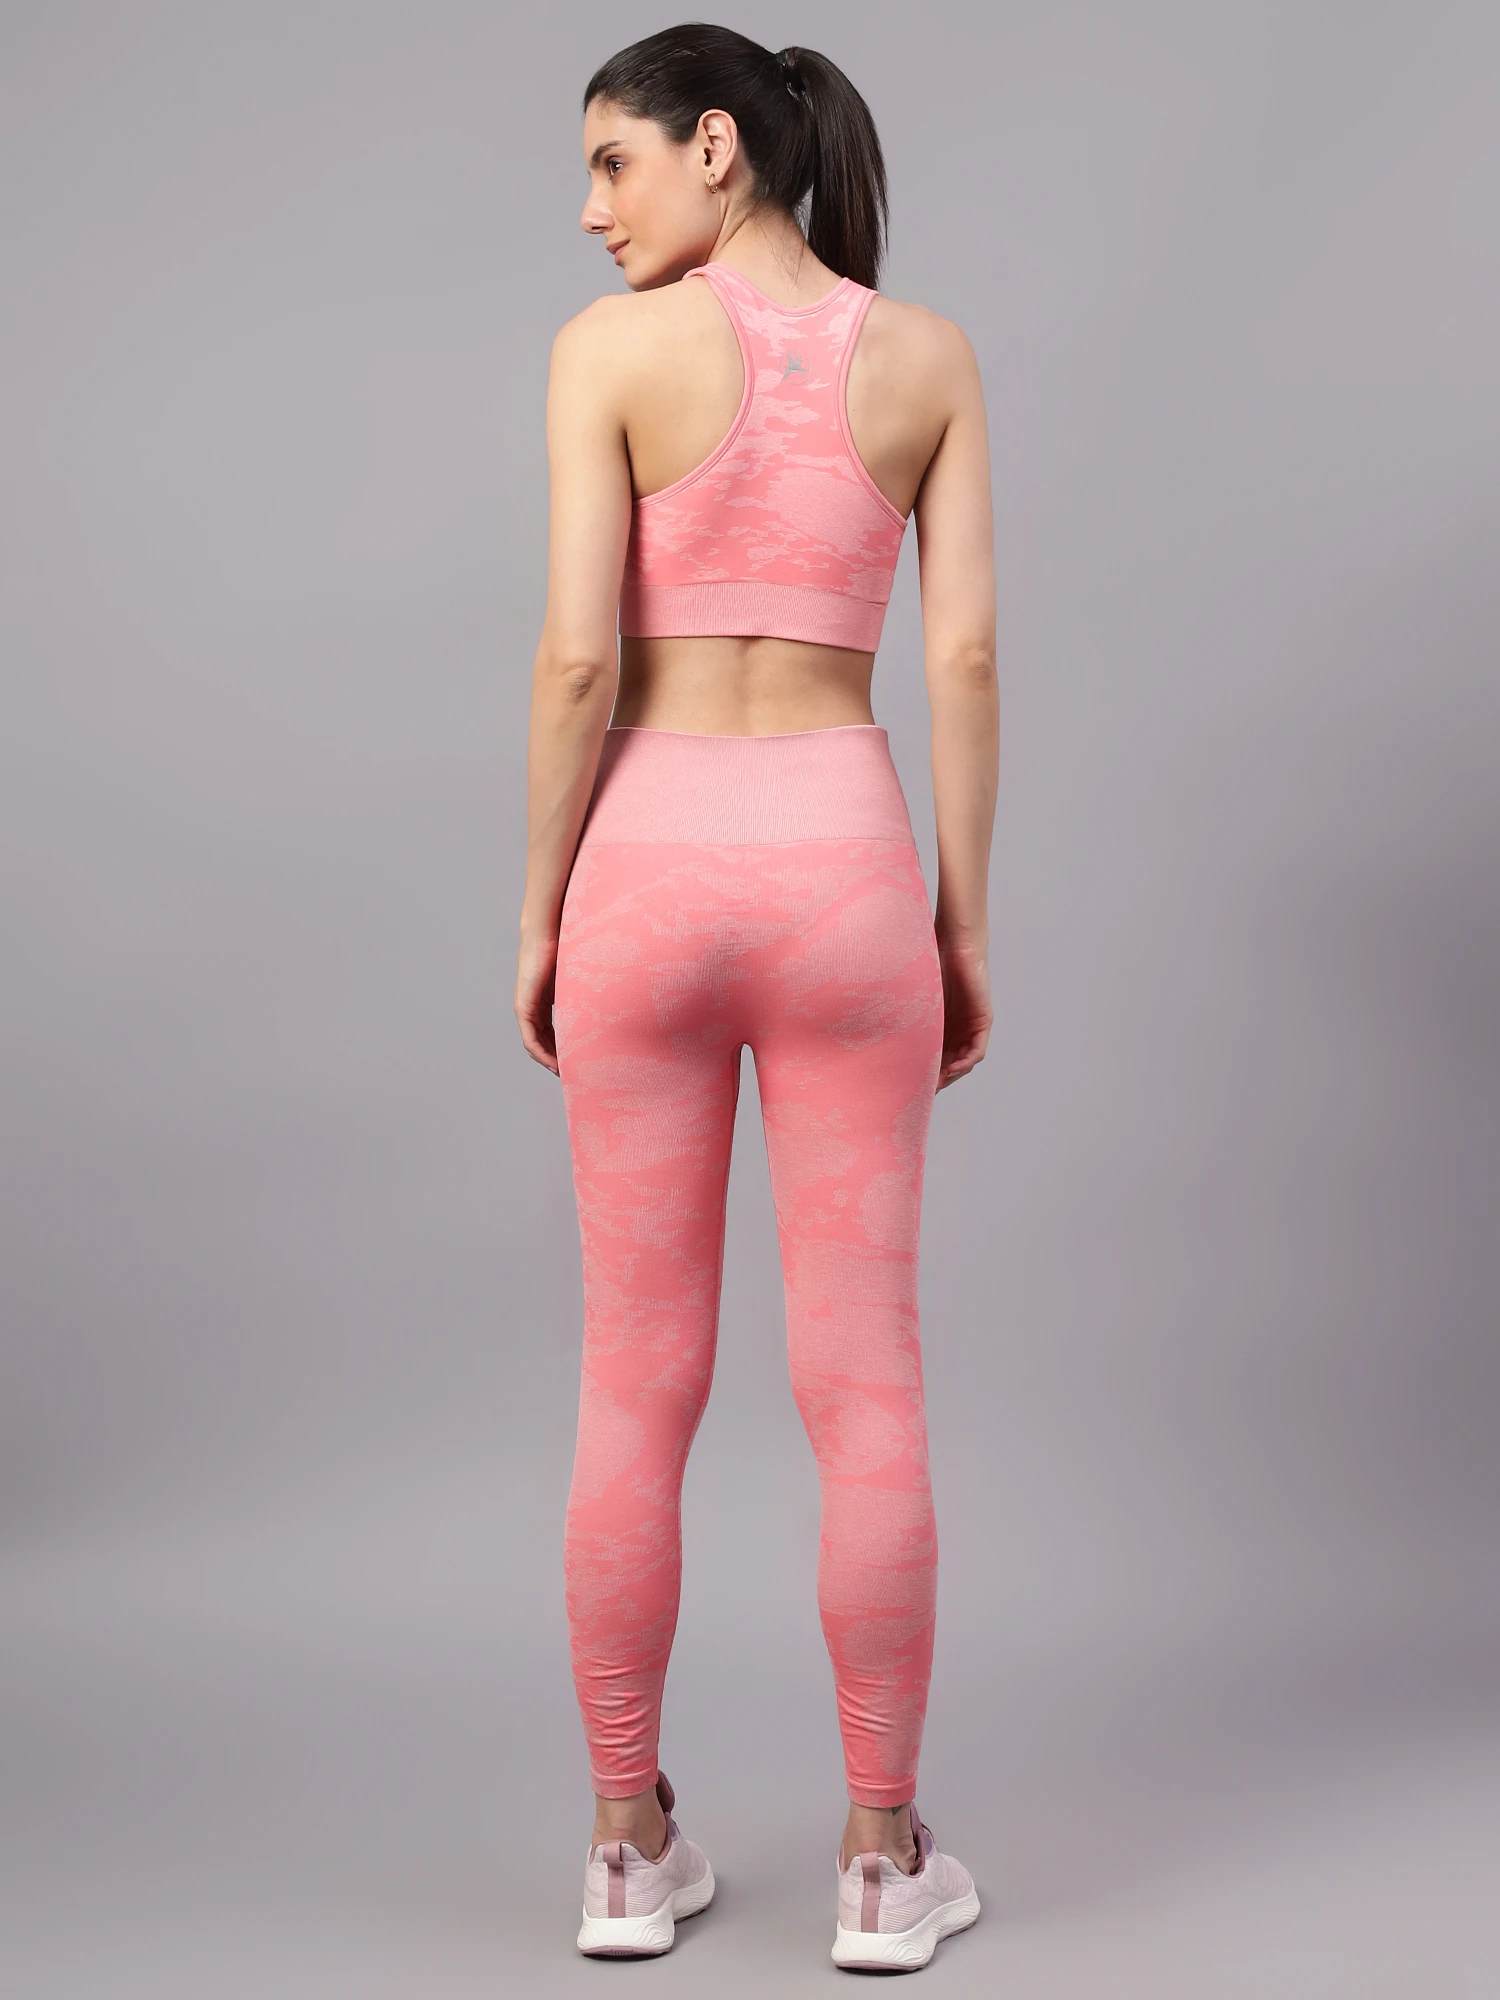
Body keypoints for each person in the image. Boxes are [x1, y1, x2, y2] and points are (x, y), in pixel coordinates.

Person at [515, 23, 997, 1972]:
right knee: (863, 1380)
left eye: (612, 163)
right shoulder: (927, 357)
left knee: (634, 1379)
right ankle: (884, 1860)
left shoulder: (604, 355)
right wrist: (960, 924)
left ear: (716, 146)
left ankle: (625, 1844)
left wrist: (539, 915)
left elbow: (575, 662)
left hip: (645, 869)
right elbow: (961, 660)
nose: (590, 208)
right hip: (843, 868)